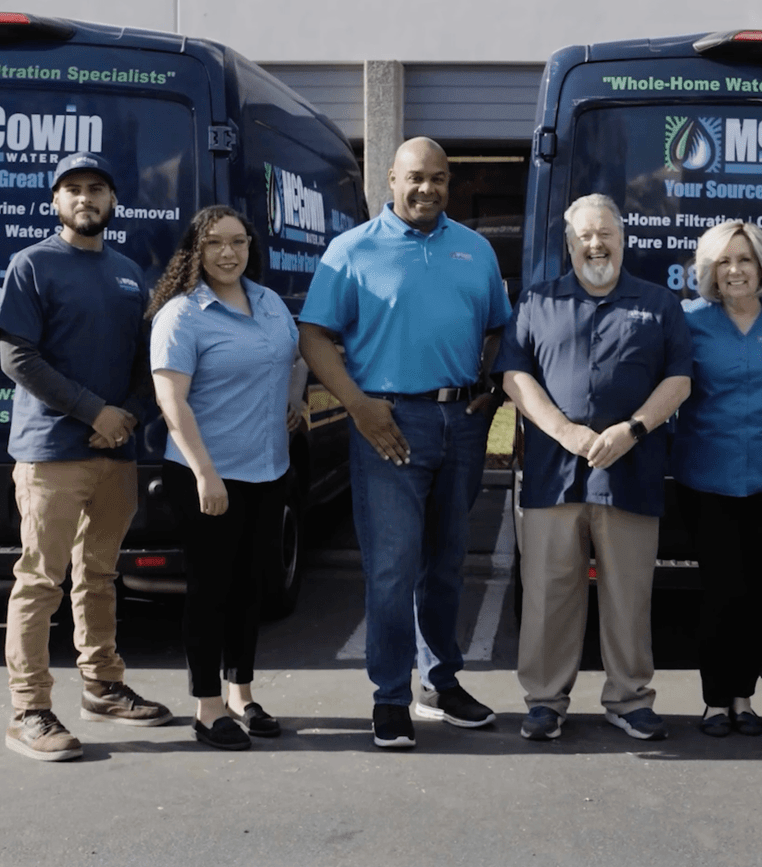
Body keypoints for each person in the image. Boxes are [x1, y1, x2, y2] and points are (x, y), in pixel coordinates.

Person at [298, 137, 510, 750]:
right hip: (388, 424)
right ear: (390, 178)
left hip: (461, 423)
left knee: (445, 564)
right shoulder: (353, 250)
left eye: (439, 179)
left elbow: (499, 327)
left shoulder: (475, 250)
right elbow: (313, 336)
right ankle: (390, 696)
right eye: (415, 177)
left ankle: (439, 683)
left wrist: (490, 386)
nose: (427, 189)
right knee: (392, 569)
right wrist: (357, 406)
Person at [0, 152, 173, 762]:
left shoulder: (128, 274)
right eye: (72, 189)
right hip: (52, 453)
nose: (85, 198)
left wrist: (123, 415)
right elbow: (18, 358)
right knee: (41, 579)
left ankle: (101, 685)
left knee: (98, 575)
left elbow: (144, 362)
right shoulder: (32, 266)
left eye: (96, 188)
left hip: (114, 455)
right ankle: (30, 710)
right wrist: (93, 413)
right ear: (55, 202)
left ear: (112, 201)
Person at [499, 193, 693, 743]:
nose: (595, 243)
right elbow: (515, 377)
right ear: (569, 243)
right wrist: (564, 431)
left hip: (630, 473)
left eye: (605, 232)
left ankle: (629, 699)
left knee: (629, 595)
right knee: (547, 594)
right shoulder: (537, 301)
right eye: (584, 234)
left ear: (623, 239)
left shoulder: (659, 304)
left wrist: (632, 430)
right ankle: (544, 702)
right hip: (551, 474)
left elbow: (679, 379)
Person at [148, 206, 302, 751]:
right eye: (215, 243)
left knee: (249, 588)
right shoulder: (183, 315)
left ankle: (242, 693)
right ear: (196, 249)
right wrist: (206, 475)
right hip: (206, 476)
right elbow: (172, 401)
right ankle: (207, 706)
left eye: (238, 242)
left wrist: (295, 398)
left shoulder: (268, 301)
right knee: (210, 591)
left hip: (267, 471)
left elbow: (292, 353)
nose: (229, 253)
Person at [673, 221, 762, 738]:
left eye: (745, 260)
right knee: (720, 590)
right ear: (710, 270)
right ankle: (714, 700)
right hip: (706, 480)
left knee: (757, 590)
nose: (735, 270)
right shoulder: (690, 320)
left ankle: (745, 697)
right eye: (725, 261)